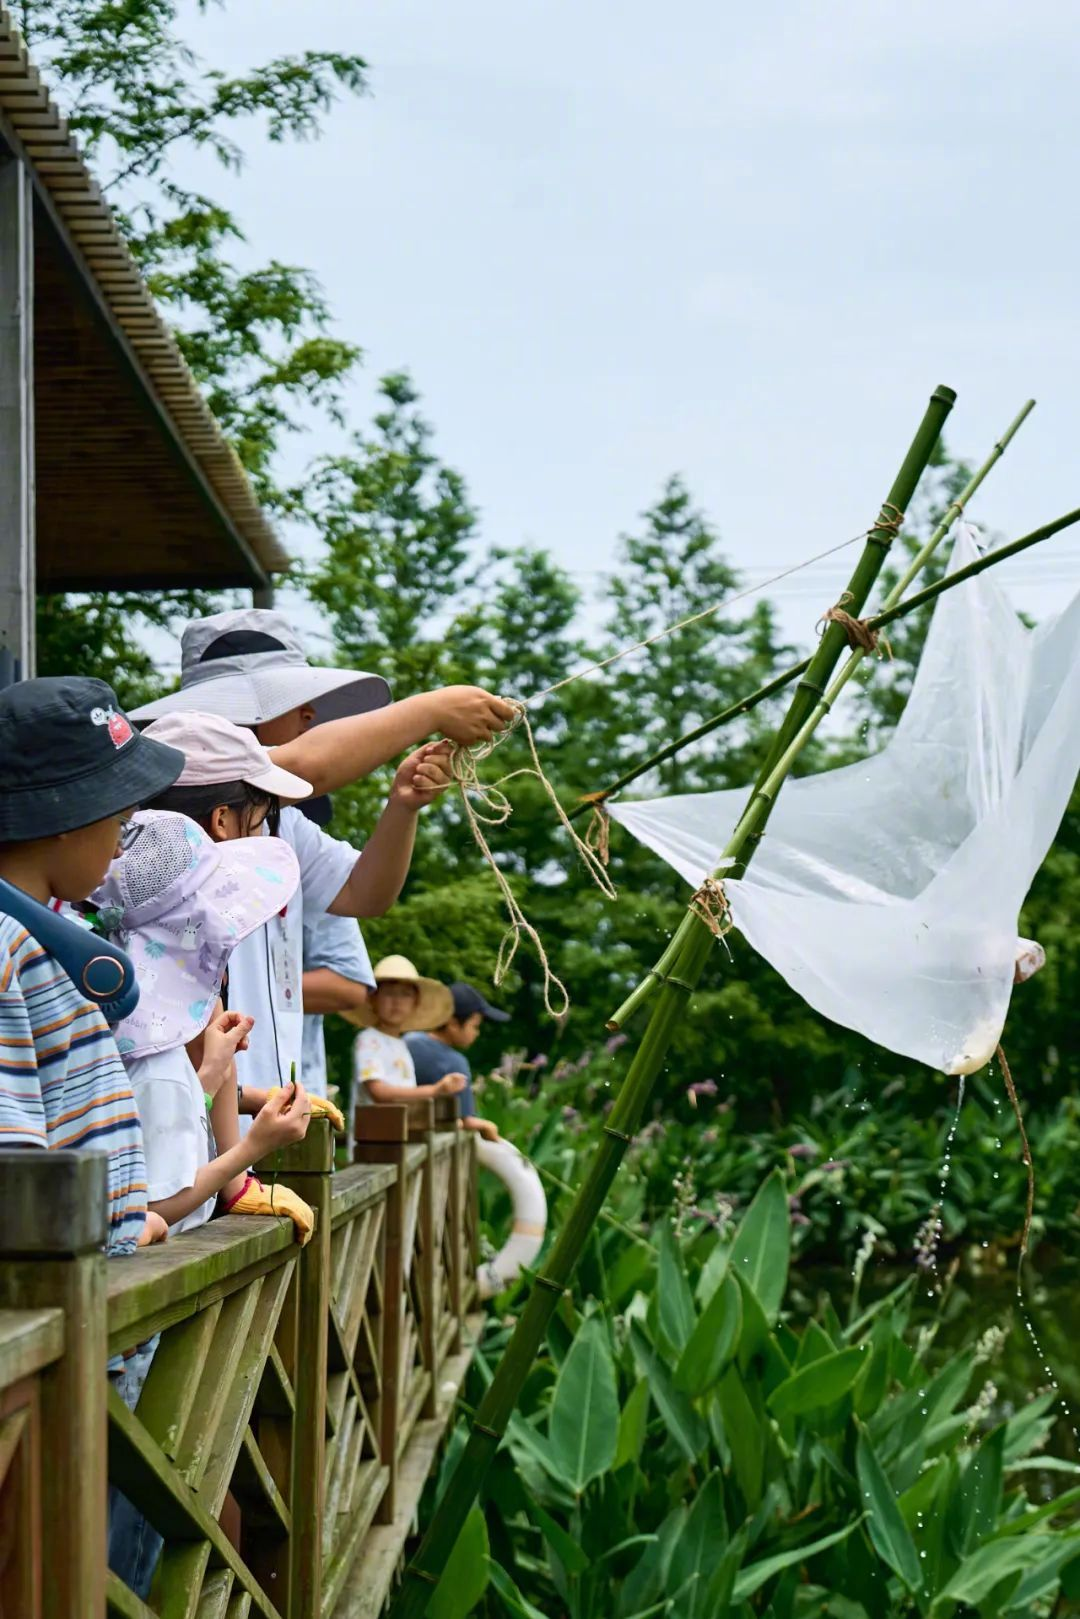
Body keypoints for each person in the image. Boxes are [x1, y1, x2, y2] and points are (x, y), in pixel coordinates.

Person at [139, 712, 451, 1116]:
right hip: (212, 1159)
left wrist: (404, 807)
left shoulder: (135, 919)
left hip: (248, 1141)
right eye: (260, 817)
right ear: (221, 821)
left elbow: (208, 1087)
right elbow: (193, 1100)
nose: (268, 829)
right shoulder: (188, 952)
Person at [0, 678, 185, 1253]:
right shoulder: (7, 949)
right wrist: (119, 1231)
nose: (119, 847)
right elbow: (15, 1181)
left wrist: (126, 1227)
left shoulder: (46, 939)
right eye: (120, 820)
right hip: (52, 1317)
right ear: (65, 814)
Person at [93, 810, 315, 1240]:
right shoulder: (160, 1071)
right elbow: (152, 1209)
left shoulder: (136, 1044)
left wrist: (209, 1075)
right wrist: (254, 1146)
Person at [348, 956, 466, 1108]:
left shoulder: (401, 1043)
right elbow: (378, 1093)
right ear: (373, 999)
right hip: (372, 1130)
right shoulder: (368, 1040)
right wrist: (435, 1089)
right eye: (389, 993)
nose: (397, 1001)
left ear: (415, 1003)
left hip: (399, 1129)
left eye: (405, 994)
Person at [405, 982, 509, 1142]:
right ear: (453, 1023)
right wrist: (488, 1126)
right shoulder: (455, 1063)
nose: (477, 1033)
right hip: (429, 1143)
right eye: (475, 1026)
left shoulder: (408, 1040)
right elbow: (467, 1120)